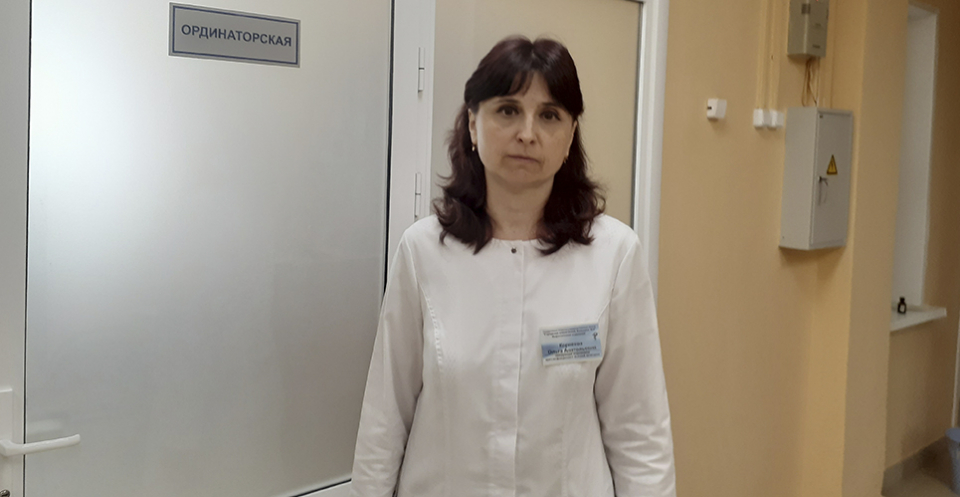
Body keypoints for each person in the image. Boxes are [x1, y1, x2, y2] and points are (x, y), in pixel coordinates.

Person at [351, 35, 676, 497]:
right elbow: (385, 421)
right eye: (508, 110)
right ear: (473, 123)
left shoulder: (614, 255)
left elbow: (640, 434)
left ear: (570, 136)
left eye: (549, 115)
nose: (527, 133)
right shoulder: (423, 251)